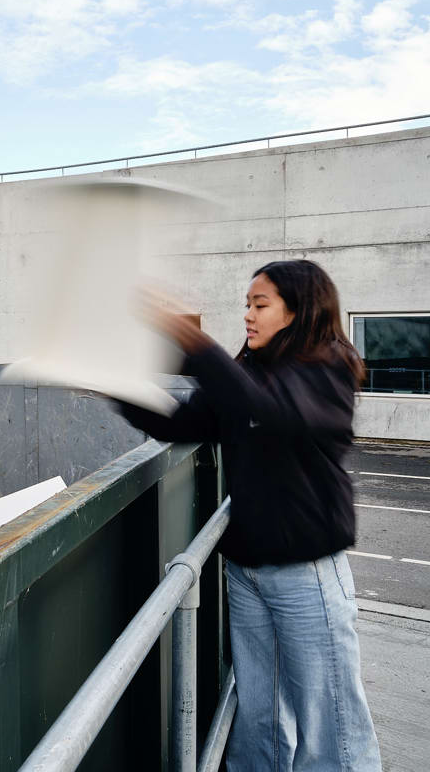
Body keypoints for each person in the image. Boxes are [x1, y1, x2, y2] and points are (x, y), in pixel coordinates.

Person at [118, 259, 382, 771]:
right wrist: (112, 387)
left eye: (260, 305)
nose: (247, 315)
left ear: (299, 310)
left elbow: (266, 412)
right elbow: (181, 424)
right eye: (246, 304)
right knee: (261, 718)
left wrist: (191, 342)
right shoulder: (254, 374)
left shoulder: (325, 370)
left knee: (332, 729)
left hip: (306, 576)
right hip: (248, 575)